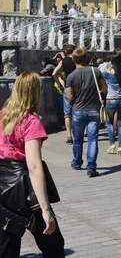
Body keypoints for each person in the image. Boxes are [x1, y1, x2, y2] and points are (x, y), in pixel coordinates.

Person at [0, 72, 65, 257]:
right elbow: (34, 166)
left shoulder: (1, 116)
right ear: (36, 93)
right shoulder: (30, 121)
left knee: (7, 245)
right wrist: (45, 209)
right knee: (53, 244)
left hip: (2, 187)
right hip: (24, 188)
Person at [66, 48, 106, 178]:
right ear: (87, 58)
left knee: (77, 139)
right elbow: (104, 87)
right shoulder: (96, 71)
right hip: (94, 110)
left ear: (73, 59)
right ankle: (91, 168)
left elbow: (70, 96)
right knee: (93, 140)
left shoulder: (71, 76)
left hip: (78, 111)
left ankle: (77, 162)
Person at [102, 53, 121, 155]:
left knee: (109, 122)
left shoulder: (108, 74)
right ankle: (120, 146)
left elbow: (102, 79)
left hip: (111, 100)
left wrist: (110, 67)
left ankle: (112, 144)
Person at [52, 44, 76, 144]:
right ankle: (79, 133)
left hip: (67, 87)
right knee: (78, 111)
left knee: (67, 114)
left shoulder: (63, 61)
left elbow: (54, 73)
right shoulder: (77, 60)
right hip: (78, 88)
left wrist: (60, 85)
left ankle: (69, 136)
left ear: (65, 52)